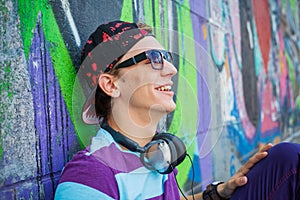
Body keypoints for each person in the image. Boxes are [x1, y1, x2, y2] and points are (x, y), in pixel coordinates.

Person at [54, 21, 300, 200]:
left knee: (285, 160)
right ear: (111, 84)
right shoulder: (91, 176)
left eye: (167, 57)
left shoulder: (155, 153)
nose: (171, 69)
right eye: (154, 58)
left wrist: (217, 193)